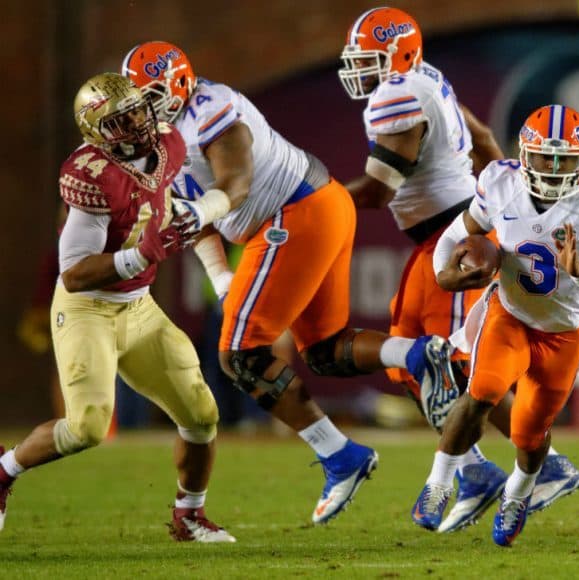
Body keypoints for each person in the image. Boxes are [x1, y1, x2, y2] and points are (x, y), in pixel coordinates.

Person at [122, 41, 459, 525]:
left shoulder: (209, 107)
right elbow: (198, 223)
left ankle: (340, 456)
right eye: (135, 101)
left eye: (150, 96)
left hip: (295, 212)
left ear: (178, 86)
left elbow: (233, 184)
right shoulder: (156, 143)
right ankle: (415, 354)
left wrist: (195, 213)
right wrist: (221, 279)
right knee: (325, 350)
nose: (142, 110)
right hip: (317, 208)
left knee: (239, 355)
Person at [338, 7, 579, 532]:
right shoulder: (426, 77)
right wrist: (500, 183)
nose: (360, 70)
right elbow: (483, 135)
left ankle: (547, 466)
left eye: (368, 59)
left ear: (398, 54)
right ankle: (473, 472)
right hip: (440, 235)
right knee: (408, 356)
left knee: (452, 362)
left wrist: (311, 199)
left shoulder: (398, 92)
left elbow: (379, 191)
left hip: (453, 234)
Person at [0, 73, 233, 542]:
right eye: (119, 119)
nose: (137, 123)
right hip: (88, 308)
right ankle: (4, 471)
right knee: (86, 426)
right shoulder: (90, 174)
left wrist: (195, 214)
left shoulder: (169, 144)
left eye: (137, 109)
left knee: (202, 415)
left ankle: (189, 516)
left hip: (139, 306)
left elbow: (172, 202)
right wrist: (141, 254)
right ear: (96, 131)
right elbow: (75, 273)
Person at [411, 105, 579, 547]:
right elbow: (456, 234)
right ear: (524, 153)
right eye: (544, 157)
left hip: (564, 331)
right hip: (510, 316)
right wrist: (444, 275)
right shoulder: (499, 181)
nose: (553, 169)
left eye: (565, 159)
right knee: (480, 394)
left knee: (529, 433)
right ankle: (438, 483)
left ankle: (517, 492)